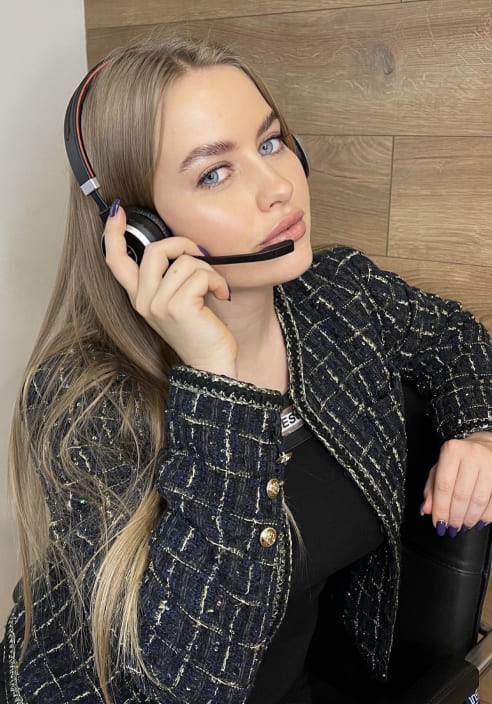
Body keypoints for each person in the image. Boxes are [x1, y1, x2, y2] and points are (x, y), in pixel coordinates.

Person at [3, 35, 492, 704]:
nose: (279, 186)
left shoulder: (337, 294)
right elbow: (186, 682)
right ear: (140, 231)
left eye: (270, 143)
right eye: (215, 173)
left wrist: (479, 430)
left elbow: (455, 337)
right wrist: (217, 383)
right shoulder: (80, 400)